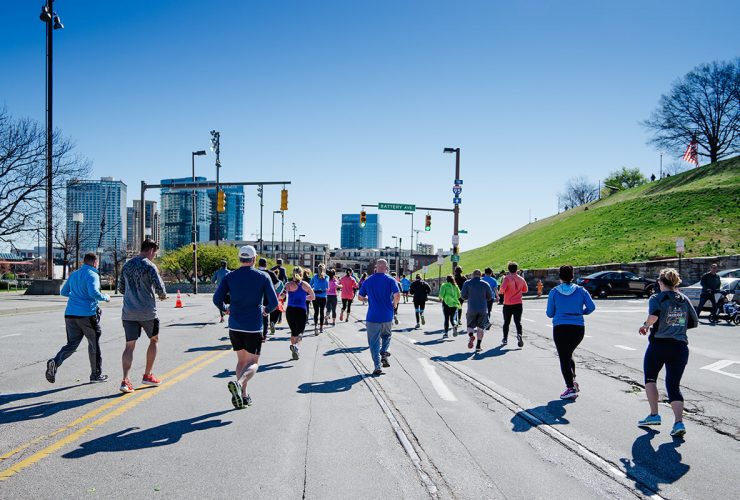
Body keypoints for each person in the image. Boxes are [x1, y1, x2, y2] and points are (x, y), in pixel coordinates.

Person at [213, 246, 279, 408]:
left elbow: (216, 299)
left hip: (234, 325)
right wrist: (266, 310)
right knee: (254, 362)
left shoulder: (230, 276)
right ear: (254, 259)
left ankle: (243, 395)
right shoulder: (263, 276)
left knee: (241, 361)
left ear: (239, 259)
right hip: (253, 326)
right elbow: (274, 302)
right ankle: (240, 382)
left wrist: (226, 308)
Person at [637, 268, 698, 437]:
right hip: (680, 347)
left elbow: (655, 315)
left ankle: (654, 415)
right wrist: (677, 326)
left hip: (659, 345)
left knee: (650, 378)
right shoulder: (684, 299)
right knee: (673, 385)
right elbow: (693, 322)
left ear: (661, 283)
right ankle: (679, 423)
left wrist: (645, 325)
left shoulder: (656, 298)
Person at [46, 252, 111, 384]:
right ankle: (95, 375)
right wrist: (106, 297)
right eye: (97, 263)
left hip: (70, 314)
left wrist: (77, 295)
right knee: (93, 344)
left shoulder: (74, 274)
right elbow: (94, 293)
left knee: (71, 344)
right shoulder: (93, 274)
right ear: (94, 262)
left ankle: (55, 362)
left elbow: (63, 292)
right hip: (87, 314)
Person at [118, 240, 168, 394]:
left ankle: (125, 380)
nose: (154, 256)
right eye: (155, 253)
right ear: (151, 250)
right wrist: (162, 296)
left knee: (129, 346)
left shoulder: (126, 265)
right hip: (147, 312)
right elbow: (160, 287)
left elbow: (121, 288)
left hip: (128, 312)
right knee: (154, 340)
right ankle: (147, 375)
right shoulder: (149, 265)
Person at [546, 265, 596, 399]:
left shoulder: (554, 292)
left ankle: (570, 387)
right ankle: (573, 380)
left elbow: (549, 313)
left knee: (564, 357)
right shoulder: (581, 290)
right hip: (578, 328)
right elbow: (591, 307)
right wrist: (581, 312)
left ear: (560, 276)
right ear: (573, 276)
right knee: (568, 353)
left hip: (560, 327)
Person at [358, 259, 400, 375]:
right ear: (386, 268)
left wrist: (367, 299)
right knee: (387, 336)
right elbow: (397, 295)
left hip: (372, 317)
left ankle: (377, 366)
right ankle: (384, 351)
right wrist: (394, 305)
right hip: (387, 315)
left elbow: (360, 297)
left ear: (375, 267)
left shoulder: (368, 281)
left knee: (373, 343)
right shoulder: (391, 280)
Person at [284, 267, 315, 360]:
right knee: (300, 332)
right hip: (301, 310)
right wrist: (304, 298)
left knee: (293, 331)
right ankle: (296, 346)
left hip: (290, 310)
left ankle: (294, 347)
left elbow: (283, 295)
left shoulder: (288, 284)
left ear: (293, 274)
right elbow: (313, 297)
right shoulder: (305, 284)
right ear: (302, 274)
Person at [461, 270, 493, 352]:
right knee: (480, 328)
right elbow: (490, 297)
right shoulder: (485, 284)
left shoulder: (467, 283)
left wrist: (470, 296)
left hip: (471, 308)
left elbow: (463, 296)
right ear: (480, 275)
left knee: (470, 326)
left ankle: (471, 335)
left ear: (472, 275)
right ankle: (478, 345)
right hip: (482, 309)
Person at [499, 261, 528, 347]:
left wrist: (501, 292)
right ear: (517, 269)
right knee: (518, 322)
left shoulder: (507, 278)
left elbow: (502, 290)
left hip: (508, 303)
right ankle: (519, 335)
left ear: (508, 269)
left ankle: (505, 338)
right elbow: (525, 290)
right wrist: (518, 291)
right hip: (518, 303)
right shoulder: (521, 279)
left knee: (506, 322)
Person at [257, 258, 282, 338]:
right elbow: (278, 284)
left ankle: (257, 332)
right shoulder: (270, 273)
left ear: (258, 264)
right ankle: (264, 334)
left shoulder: (254, 272)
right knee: (265, 314)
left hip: (256, 296)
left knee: (257, 314)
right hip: (267, 296)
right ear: (266, 264)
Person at [310, 264, 329, 334]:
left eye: (322, 269)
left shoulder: (327, 277)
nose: (320, 270)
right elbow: (310, 285)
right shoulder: (315, 277)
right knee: (317, 312)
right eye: (320, 269)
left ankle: (320, 326)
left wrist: (323, 278)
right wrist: (312, 290)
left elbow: (327, 286)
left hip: (323, 297)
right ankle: (316, 326)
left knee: (320, 312)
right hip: (317, 296)